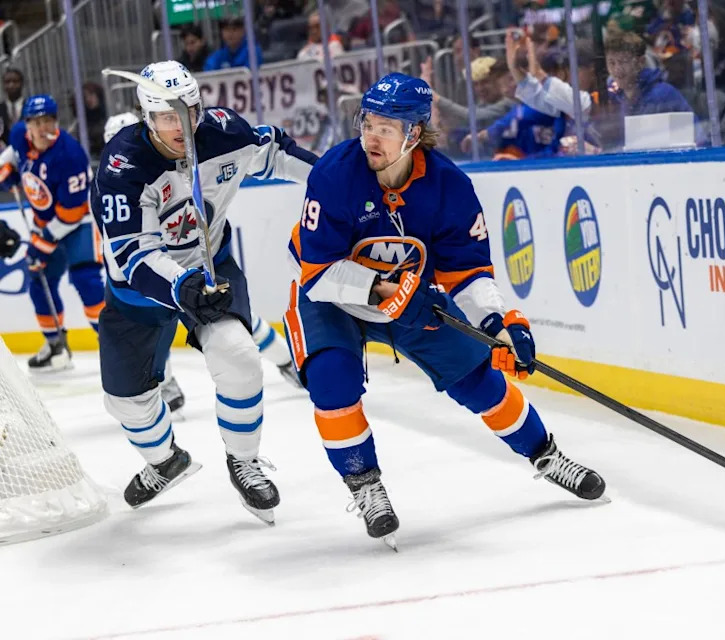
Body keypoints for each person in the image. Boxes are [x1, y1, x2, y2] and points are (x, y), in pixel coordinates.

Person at [286, 72, 606, 548]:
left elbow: (468, 273)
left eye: (386, 127)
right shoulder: (334, 174)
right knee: (333, 383)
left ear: (414, 134)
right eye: (367, 122)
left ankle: (545, 453)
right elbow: (317, 269)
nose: (371, 136)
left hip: (411, 300)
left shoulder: (449, 187)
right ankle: (366, 485)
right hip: (335, 298)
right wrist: (379, 289)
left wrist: (497, 324)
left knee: (480, 381)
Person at [92, 61, 318, 523]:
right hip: (142, 288)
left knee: (238, 355)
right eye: (168, 117)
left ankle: (244, 460)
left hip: (208, 263)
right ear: (147, 117)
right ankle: (165, 461)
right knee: (124, 400)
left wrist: (336, 180)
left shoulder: (221, 132)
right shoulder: (123, 167)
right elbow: (135, 256)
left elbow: (275, 151)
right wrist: (181, 286)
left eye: (188, 112)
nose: (181, 126)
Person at [100, 112, 302, 415]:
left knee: (233, 324)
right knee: (153, 327)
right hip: (158, 274)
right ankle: (165, 381)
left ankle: (287, 361)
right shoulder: (118, 181)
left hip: (191, 265)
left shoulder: (185, 155)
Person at [0, 95, 105, 372]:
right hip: (44, 220)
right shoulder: (20, 134)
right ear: (27, 125)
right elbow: (13, 153)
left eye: (49, 120)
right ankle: (55, 344)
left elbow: (71, 213)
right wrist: (8, 169)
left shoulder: (69, 154)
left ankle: (113, 346)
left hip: (79, 223)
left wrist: (41, 243)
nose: (44, 127)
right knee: (39, 279)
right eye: (37, 122)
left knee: (87, 281)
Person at [1, 68, 24, 146]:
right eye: (7, 82)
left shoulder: (30, 106)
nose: (11, 85)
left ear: (22, 83)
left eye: (15, 81)